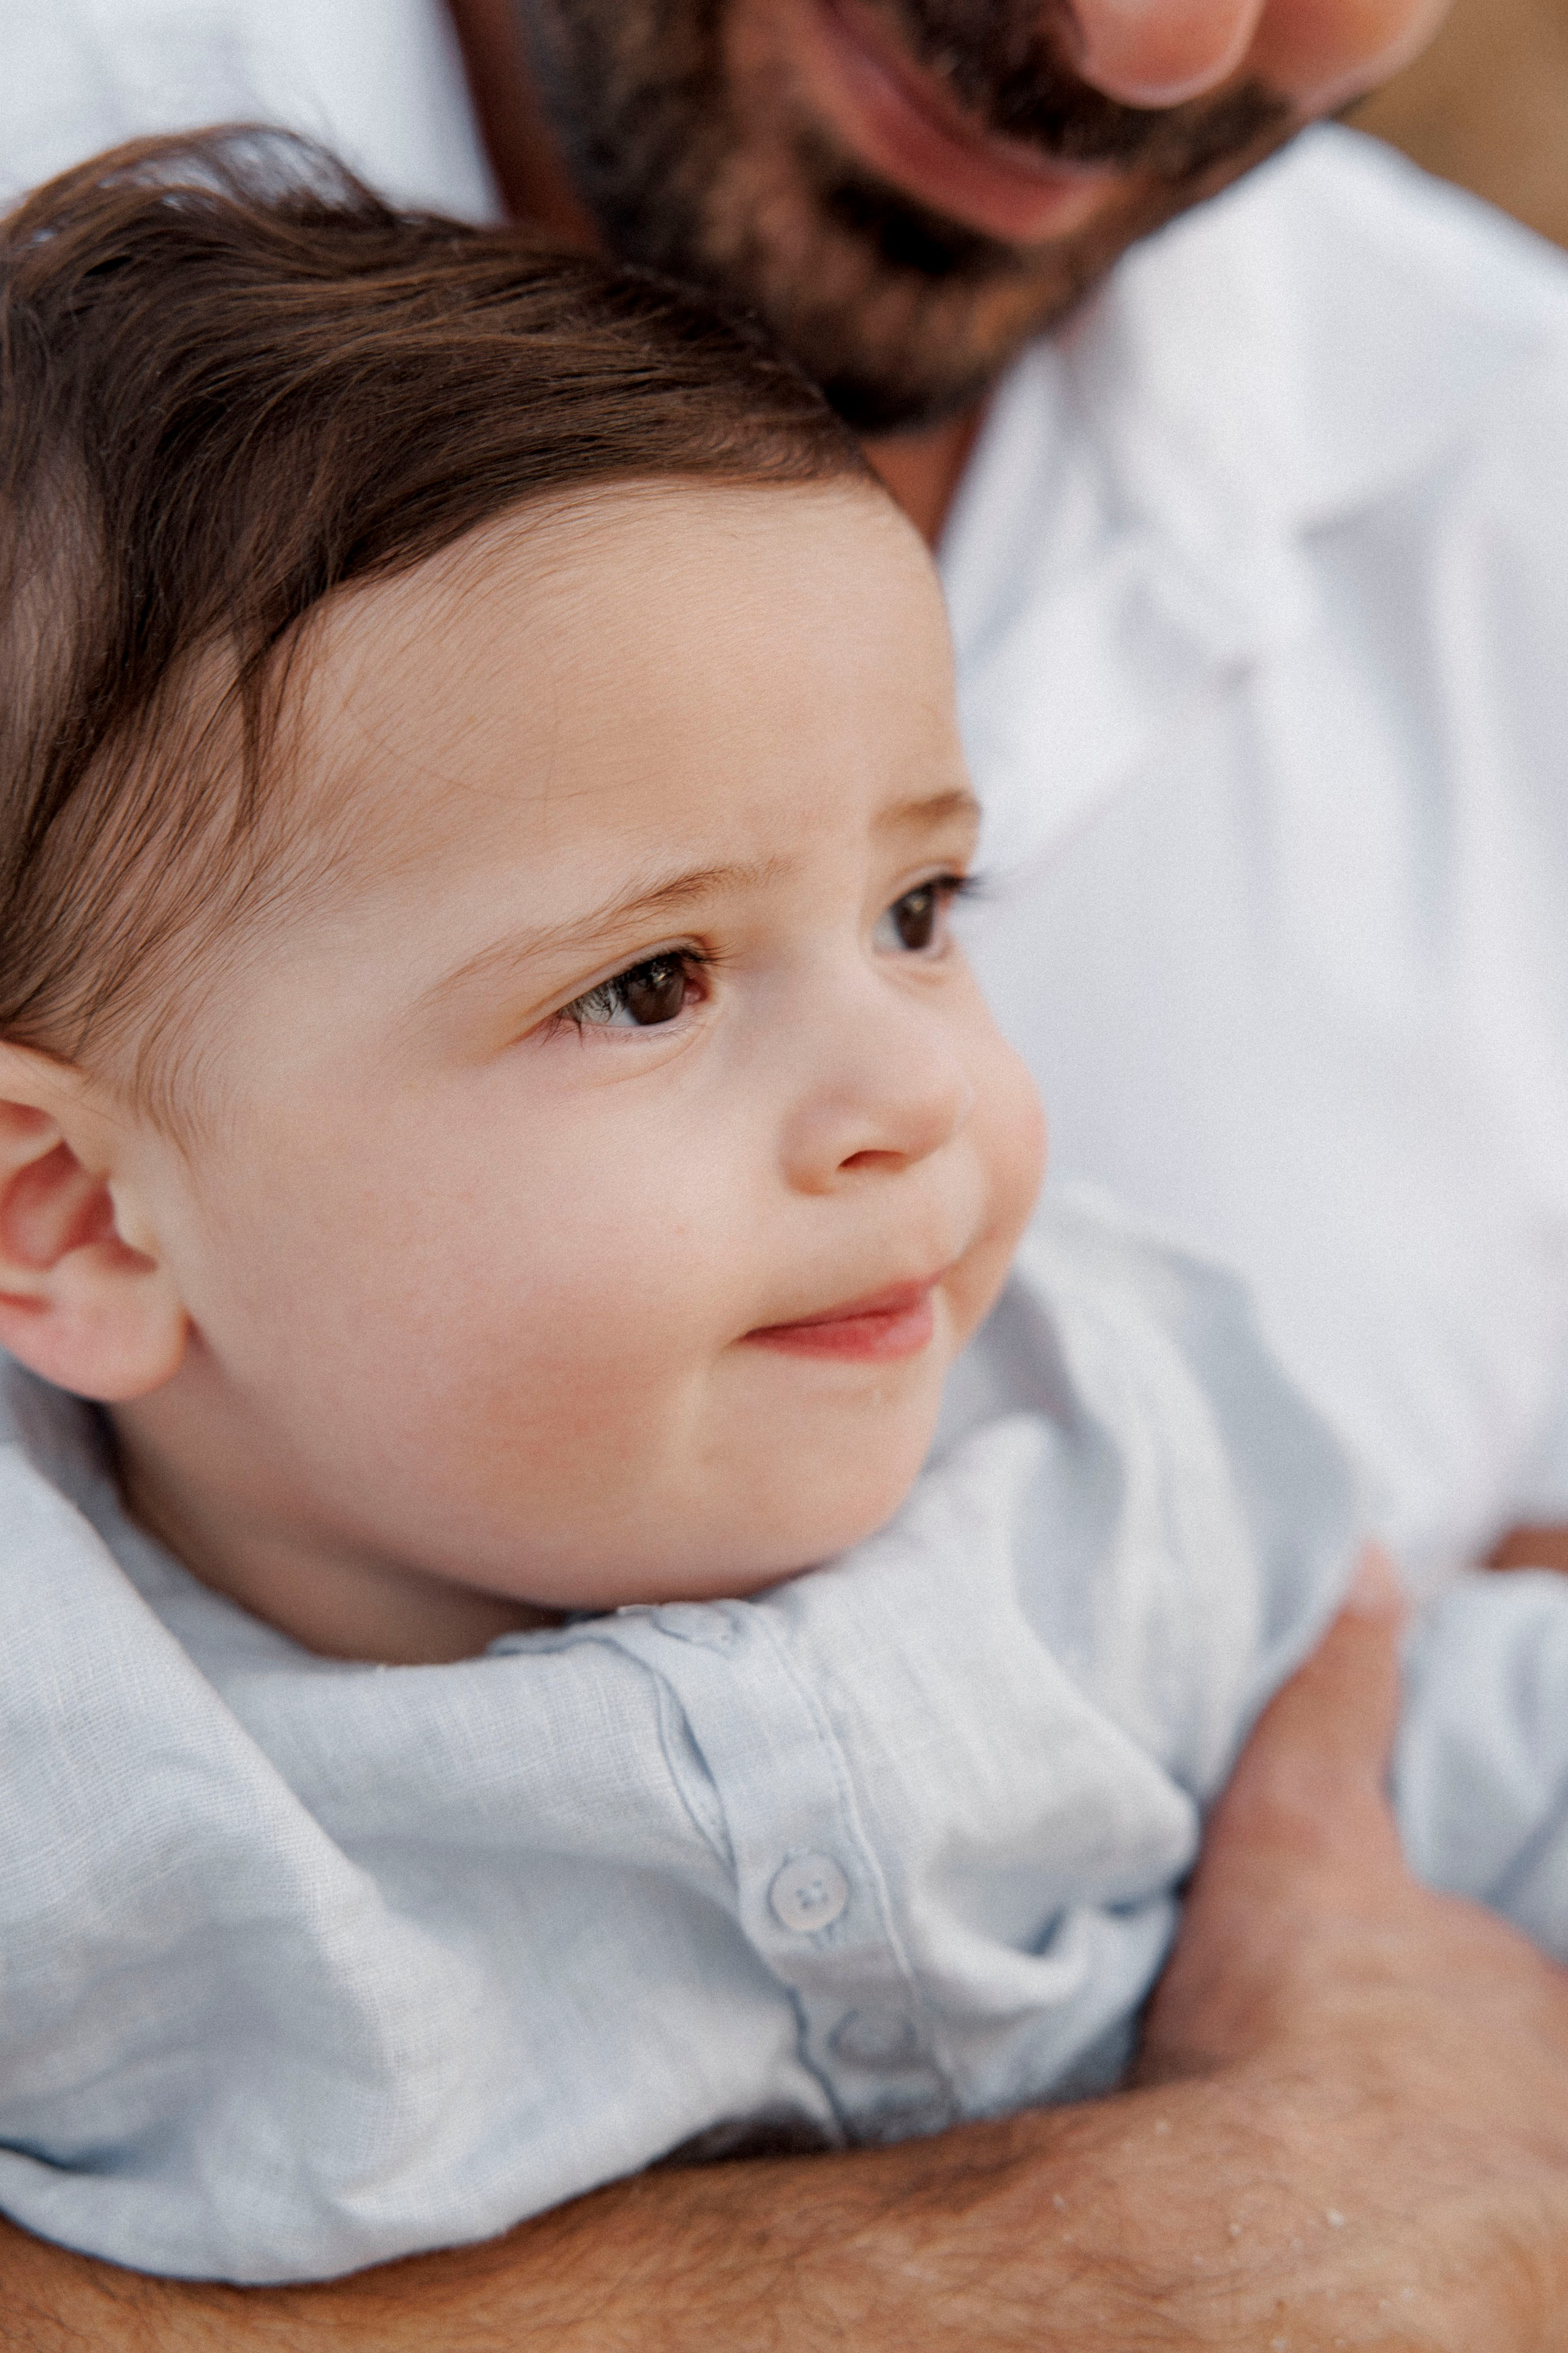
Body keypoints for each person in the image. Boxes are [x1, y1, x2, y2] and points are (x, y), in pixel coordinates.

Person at [5, 0, 1568, 2342]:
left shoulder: (1102, 1468)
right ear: (84, 1217)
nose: (917, 1094)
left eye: (928, 913)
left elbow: (1476, 1746)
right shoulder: (71, 1770)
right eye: (646, 986)